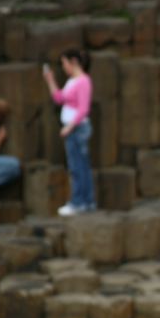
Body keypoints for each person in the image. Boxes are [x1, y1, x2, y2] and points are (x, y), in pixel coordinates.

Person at [42, 49, 94, 216]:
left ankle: (79, 202)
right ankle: (86, 201)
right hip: (72, 129)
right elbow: (59, 98)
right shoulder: (72, 81)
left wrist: (69, 127)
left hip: (77, 129)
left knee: (77, 167)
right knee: (80, 166)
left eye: (64, 63)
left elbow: (83, 109)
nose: (63, 67)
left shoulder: (84, 81)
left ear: (74, 62)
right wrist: (50, 80)